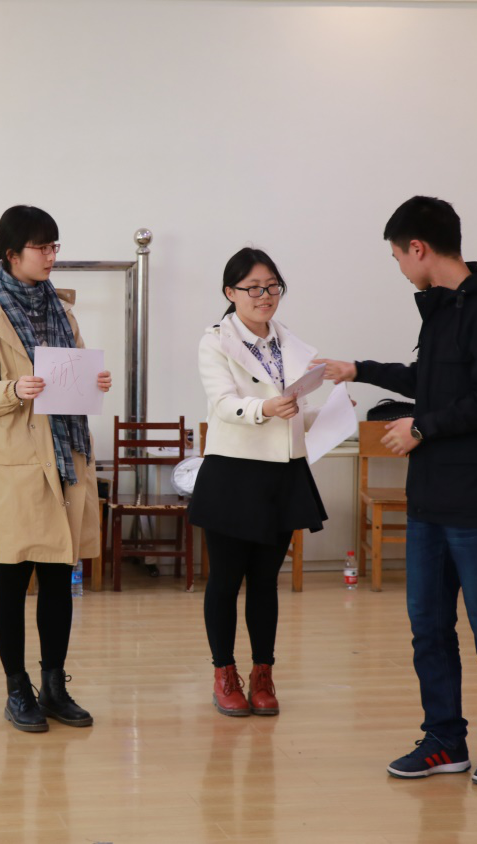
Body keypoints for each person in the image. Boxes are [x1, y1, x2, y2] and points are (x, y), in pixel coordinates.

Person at [315, 195, 477, 786]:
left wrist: (421, 428)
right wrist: (359, 369)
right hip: (431, 500)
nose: (398, 267)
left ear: (418, 248)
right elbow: (429, 382)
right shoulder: (440, 311)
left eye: (397, 256)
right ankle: (445, 739)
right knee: (429, 628)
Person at [0, 205, 109, 732]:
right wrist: (12, 389)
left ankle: (54, 685)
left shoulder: (63, 311)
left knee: (59, 574)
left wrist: (94, 382)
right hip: (15, 463)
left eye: (54, 246)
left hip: (66, 457)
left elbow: (74, 374)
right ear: (12, 255)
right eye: (41, 247)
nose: (50, 256)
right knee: (14, 572)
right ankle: (16, 689)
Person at [190, 247, 327, 717]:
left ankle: (263, 674)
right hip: (233, 470)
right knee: (226, 580)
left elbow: (295, 410)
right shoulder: (215, 342)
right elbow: (223, 403)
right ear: (230, 293)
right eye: (252, 288)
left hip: (282, 471)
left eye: (272, 286)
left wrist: (327, 415)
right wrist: (264, 408)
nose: (264, 295)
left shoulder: (291, 344)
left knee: (266, 581)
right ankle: (224, 674)